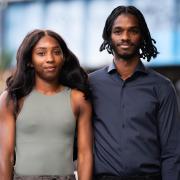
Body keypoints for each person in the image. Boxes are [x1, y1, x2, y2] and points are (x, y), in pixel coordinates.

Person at [89, 5, 180, 180]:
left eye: (133, 31)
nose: (125, 37)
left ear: (142, 35)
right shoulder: (91, 84)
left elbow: (172, 151)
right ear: (109, 36)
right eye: (118, 31)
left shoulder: (162, 87)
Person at [0, 29, 93, 180]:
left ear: (63, 57)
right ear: (29, 60)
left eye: (56, 52)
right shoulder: (11, 99)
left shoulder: (78, 99)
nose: (50, 58)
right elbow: (5, 156)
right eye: (41, 53)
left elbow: (85, 154)